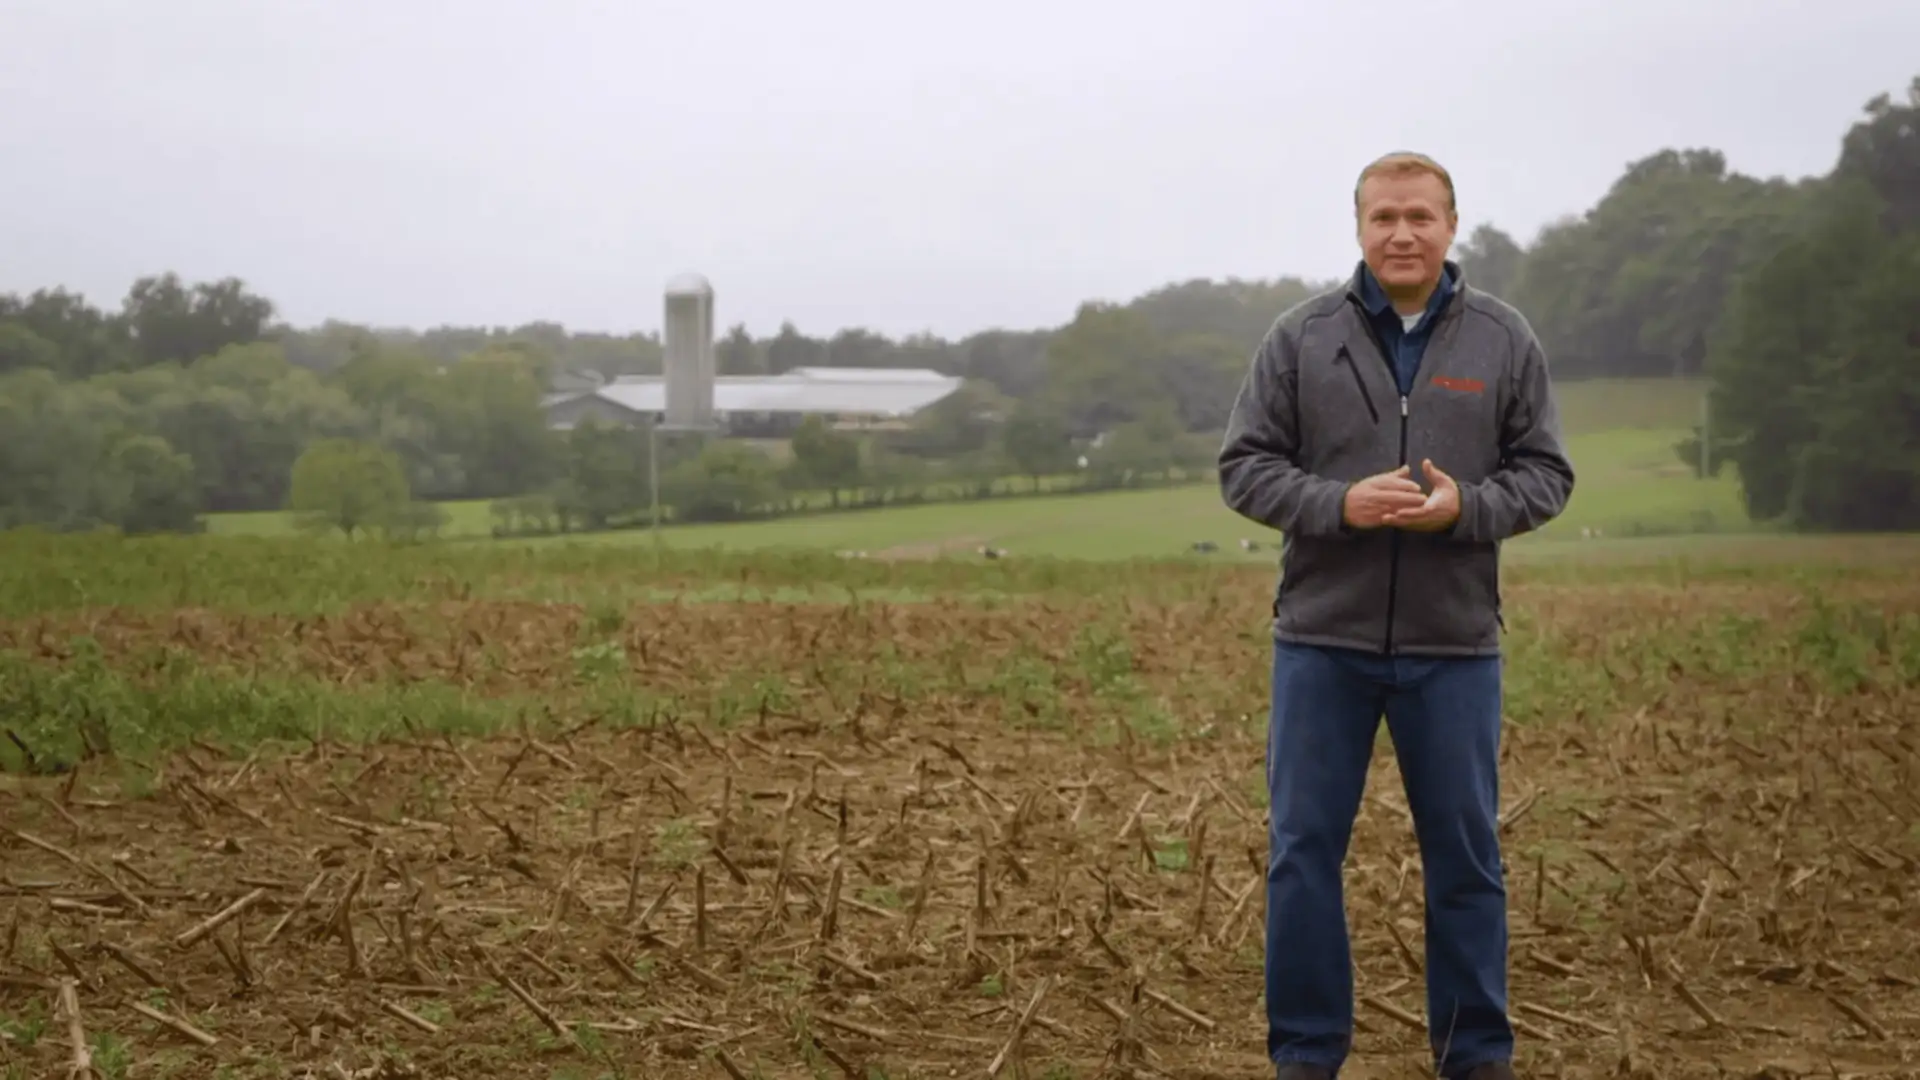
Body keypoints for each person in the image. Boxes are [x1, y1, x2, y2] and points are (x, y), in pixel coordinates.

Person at [1217, 151, 1576, 1080]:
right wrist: (1338, 504)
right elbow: (1244, 466)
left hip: (1454, 647)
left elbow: (1547, 475)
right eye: (1384, 218)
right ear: (1359, 227)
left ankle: (1476, 1058)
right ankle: (1305, 1055)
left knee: (1465, 860)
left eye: (1420, 216)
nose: (1402, 233)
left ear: (1452, 227)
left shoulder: (1503, 339)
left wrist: (1469, 511)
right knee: (1302, 855)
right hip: (1321, 644)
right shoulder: (1300, 337)